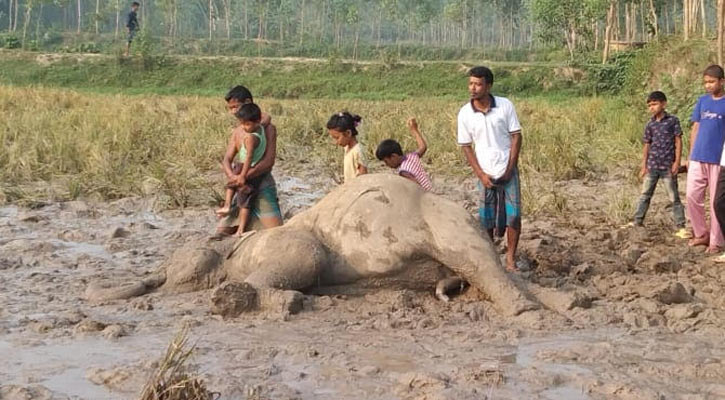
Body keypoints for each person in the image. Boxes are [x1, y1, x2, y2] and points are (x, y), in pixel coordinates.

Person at [457, 66, 522, 272]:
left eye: (477, 84)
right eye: (470, 83)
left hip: (507, 170)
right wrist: (481, 174)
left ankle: (510, 260)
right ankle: (491, 259)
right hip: (485, 173)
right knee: (486, 219)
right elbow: (466, 146)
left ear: (489, 85)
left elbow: (516, 136)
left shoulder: (505, 106)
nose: (473, 88)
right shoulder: (465, 113)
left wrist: (510, 168)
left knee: (514, 216)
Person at [213, 86, 283, 239]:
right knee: (221, 234)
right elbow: (227, 159)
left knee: (277, 233)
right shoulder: (238, 130)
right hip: (240, 182)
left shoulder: (268, 128)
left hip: (261, 181)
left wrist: (244, 177)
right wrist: (233, 177)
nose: (233, 112)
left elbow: (268, 162)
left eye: (235, 107)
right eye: (230, 108)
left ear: (248, 102)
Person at [631, 91, 686, 233]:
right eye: (649, 105)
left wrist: (677, 162)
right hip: (652, 165)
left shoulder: (673, 121)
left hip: (668, 165)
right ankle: (638, 221)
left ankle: (681, 225)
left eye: (654, 104)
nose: (652, 107)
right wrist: (644, 166)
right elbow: (647, 145)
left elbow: (678, 141)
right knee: (645, 194)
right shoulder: (650, 124)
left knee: (674, 197)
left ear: (664, 104)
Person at [685, 65, 725, 253]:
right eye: (705, 82)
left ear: (721, 82)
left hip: (718, 159)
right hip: (698, 157)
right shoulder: (702, 101)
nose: (708, 86)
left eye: (711, 82)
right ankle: (701, 233)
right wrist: (691, 154)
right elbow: (696, 127)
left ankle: (716, 241)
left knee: (715, 202)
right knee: (692, 196)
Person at [217, 103, 267, 236]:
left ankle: (240, 229)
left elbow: (249, 157)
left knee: (244, 202)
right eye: (242, 124)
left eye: (247, 124)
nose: (244, 128)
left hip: (247, 168)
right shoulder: (261, 127)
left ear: (256, 121)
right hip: (241, 166)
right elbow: (267, 118)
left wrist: (243, 175)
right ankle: (227, 205)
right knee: (231, 185)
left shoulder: (251, 138)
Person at [375, 118, 433, 191]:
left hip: (425, 196)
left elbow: (417, 188)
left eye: (386, 161)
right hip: (430, 190)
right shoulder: (412, 156)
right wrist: (414, 130)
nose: (387, 165)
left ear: (393, 156)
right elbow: (423, 147)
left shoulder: (404, 171)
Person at [327, 112, 368, 183]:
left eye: (337, 138)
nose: (336, 142)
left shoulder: (358, 151)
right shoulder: (346, 148)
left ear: (348, 133)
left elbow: (363, 176)